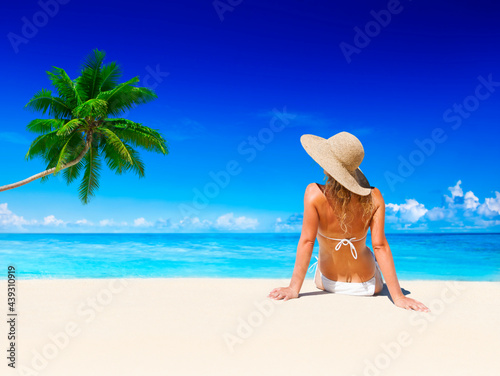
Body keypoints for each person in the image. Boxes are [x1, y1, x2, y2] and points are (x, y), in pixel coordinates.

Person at [268, 131, 429, 312]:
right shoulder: (374, 197)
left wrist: (293, 289)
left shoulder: (314, 193)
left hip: (327, 283)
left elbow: (307, 241)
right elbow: (380, 246)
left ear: (330, 167)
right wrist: (399, 297)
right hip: (368, 286)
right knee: (369, 251)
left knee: (322, 254)